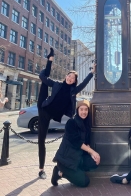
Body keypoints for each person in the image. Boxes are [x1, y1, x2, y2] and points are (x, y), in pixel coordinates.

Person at [37, 48, 96, 179]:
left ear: (74, 81)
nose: (70, 78)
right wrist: (49, 62)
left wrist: (92, 72)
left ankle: (62, 165)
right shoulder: (57, 84)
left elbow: (84, 84)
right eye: (69, 76)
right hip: (43, 110)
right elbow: (42, 77)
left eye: (73, 78)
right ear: (66, 77)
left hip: (54, 114)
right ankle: (41, 169)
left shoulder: (73, 91)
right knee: (41, 140)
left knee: (68, 136)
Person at [51, 99, 100, 187]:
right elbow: (77, 142)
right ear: (77, 110)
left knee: (94, 162)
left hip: (77, 158)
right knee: (84, 182)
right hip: (66, 160)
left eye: (86, 109)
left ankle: (76, 172)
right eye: (81, 109)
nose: (84, 112)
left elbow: (87, 142)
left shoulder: (86, 124)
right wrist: (93, 152)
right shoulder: (71, 123)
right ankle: (59, 172)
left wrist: (92, 155)